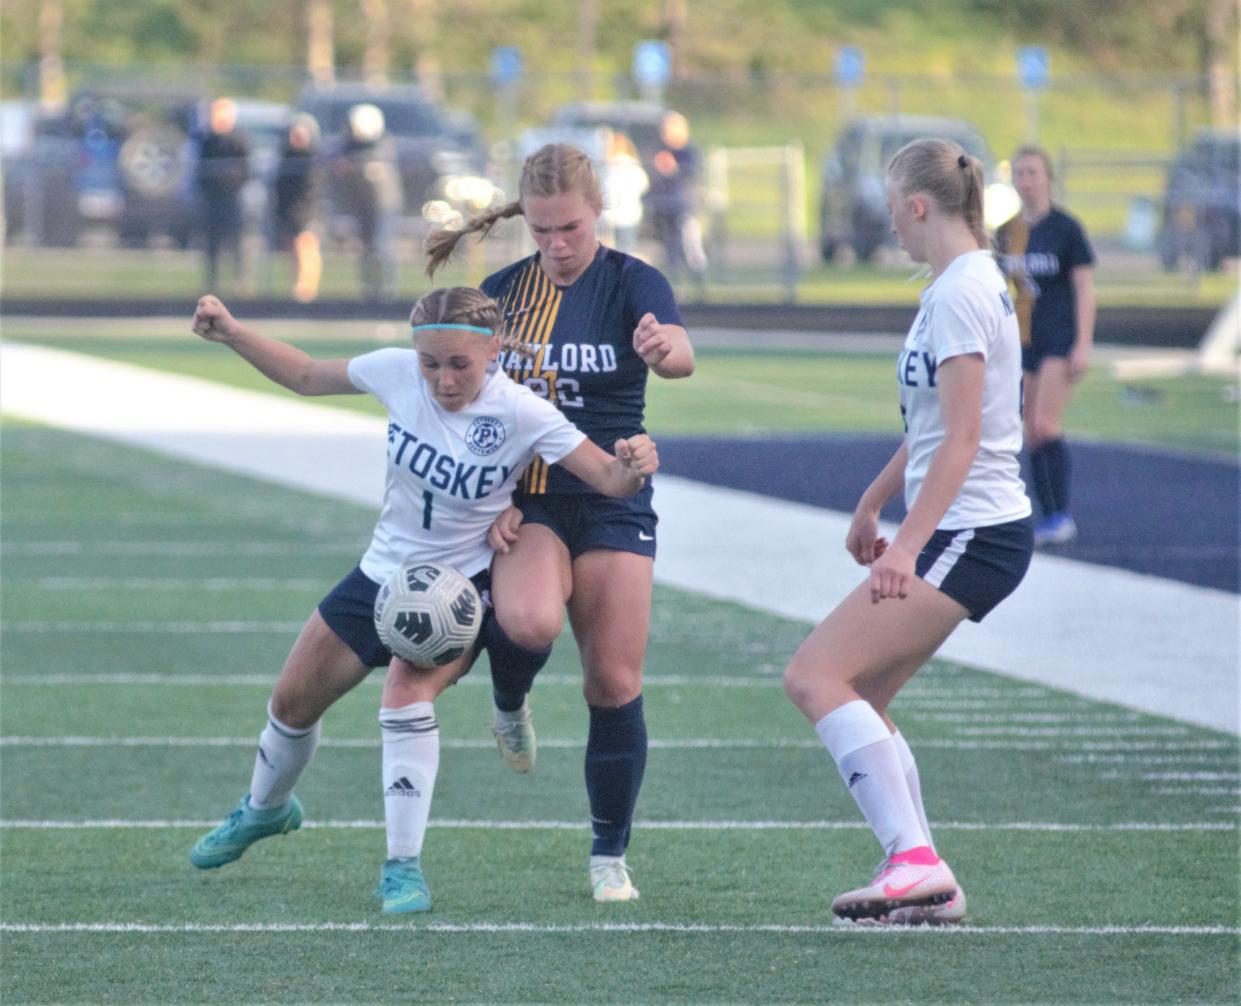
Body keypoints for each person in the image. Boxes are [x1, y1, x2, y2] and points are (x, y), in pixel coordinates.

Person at [186, 287, 659, 915]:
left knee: (404, 696)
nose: (442, 379)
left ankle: (402, 868)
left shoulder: (521, 410)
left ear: (493, 351)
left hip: (456, 588)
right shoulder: (394, 372)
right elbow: (305, 374)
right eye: (429, 363)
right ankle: (264, 810)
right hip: (382, 572)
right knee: (291, 704)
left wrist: (634, 463)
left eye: (458, 364)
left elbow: (606, 476)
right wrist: (232, 333)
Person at [424, 142, 694, 902]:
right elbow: (467, 400)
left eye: (569, 228)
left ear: (597, 211)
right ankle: (509, 699)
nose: (557, 246)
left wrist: (662, 348)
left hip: (612, 494)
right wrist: (491, 493)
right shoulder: (502, 293)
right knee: (530, 623)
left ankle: (609, 853)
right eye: (541, 232)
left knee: (611, 680)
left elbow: (679, 356)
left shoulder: (631, 281)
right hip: (532, 498)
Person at [782, 138, 1033, 926]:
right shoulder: (953, 285)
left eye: (892, 208)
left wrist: (904, 546)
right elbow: (932, 427)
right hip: (964, 527)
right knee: (863, 695)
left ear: (918, 206)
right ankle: (930, 882)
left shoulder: (960, 293)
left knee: (815, 677)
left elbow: (963, 440)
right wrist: (874, 500)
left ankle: (915, 861)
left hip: (972, 531)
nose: (889, 222)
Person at [994, 145, 1096, 547]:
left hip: (1060, 337)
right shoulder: (1008, 232)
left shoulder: (1066, 229)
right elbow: (998, 290)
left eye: (1033, 173)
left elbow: (1084, 288)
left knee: (1044, 424)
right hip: (1024, 339)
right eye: (1019, 173)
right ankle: (1048, 516)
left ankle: (1060, 514)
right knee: (1028, 431)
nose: (1025, 181)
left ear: (1048, 178)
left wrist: (1083, 344)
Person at [330, 103, 402, 302]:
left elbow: (367, 161)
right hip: (363, 205)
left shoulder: (382, 144)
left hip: (382, 206)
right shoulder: (348, 145)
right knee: (366, 248)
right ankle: (369, 291)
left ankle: (386, 291)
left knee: (380, 246)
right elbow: (335, 158)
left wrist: (350, 165)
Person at [644, 111, 707, 282]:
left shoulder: (689, 151)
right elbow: (652, 173)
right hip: (663, 206)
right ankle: (674, 279)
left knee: (689, 244)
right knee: (669, 244)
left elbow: (692, 174)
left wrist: (674, 168)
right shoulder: (658, 149)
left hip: (684, 206)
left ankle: (697, 280)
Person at [196, 98, 251, 292]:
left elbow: (245, 168)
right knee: (212, 243)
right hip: (213, 199)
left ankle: (240, 281)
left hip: (232, 197)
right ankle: (211, 284)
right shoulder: (208, 140)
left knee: (236, 242)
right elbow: (201, 169)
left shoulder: (238, 139)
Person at [272, 113, 323, 303]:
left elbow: (313, 188)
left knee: (305, 245)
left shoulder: (312, 158)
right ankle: (297, 285)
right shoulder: (286, 156)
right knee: (290, 247)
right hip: (288, 209)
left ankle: (306, 289)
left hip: (306, 209)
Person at [601, 131, 649, 256]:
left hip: (612, 215)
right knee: (626, 250)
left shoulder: (611, 168)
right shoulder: (634, 166)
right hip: (629, 215)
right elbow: (643, 185)